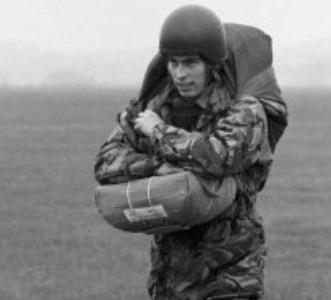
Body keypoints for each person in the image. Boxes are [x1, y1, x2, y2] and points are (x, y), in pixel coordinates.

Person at [94, 5, 287, 300]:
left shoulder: (245, 110)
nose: (180, 74)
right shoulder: (154, 107)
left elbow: (220, 156)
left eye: (190, 63)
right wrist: (161, 169)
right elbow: (106, 162)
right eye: (173, 64)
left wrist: (159, 132)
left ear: (212, 64)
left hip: (230, 272)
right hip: (170, 273)